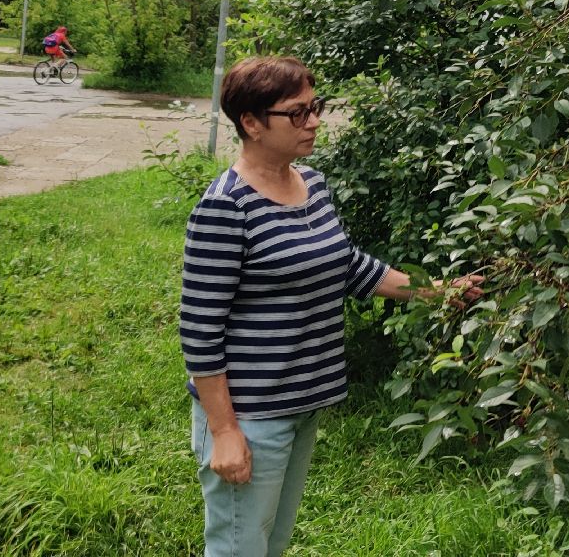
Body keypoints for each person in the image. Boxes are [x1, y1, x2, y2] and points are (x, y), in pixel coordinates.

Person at [179, 55, 481, 557]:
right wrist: (226, 430)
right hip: (251, 414)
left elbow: (347, 266)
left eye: (314, 107)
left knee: (269, 541)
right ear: (251, 123)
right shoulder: (224, 208)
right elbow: (199, 331)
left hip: (301, 402)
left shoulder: (310, 184)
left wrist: (437, 289)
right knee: (238, 546)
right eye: (296, 113)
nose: (314, 121)